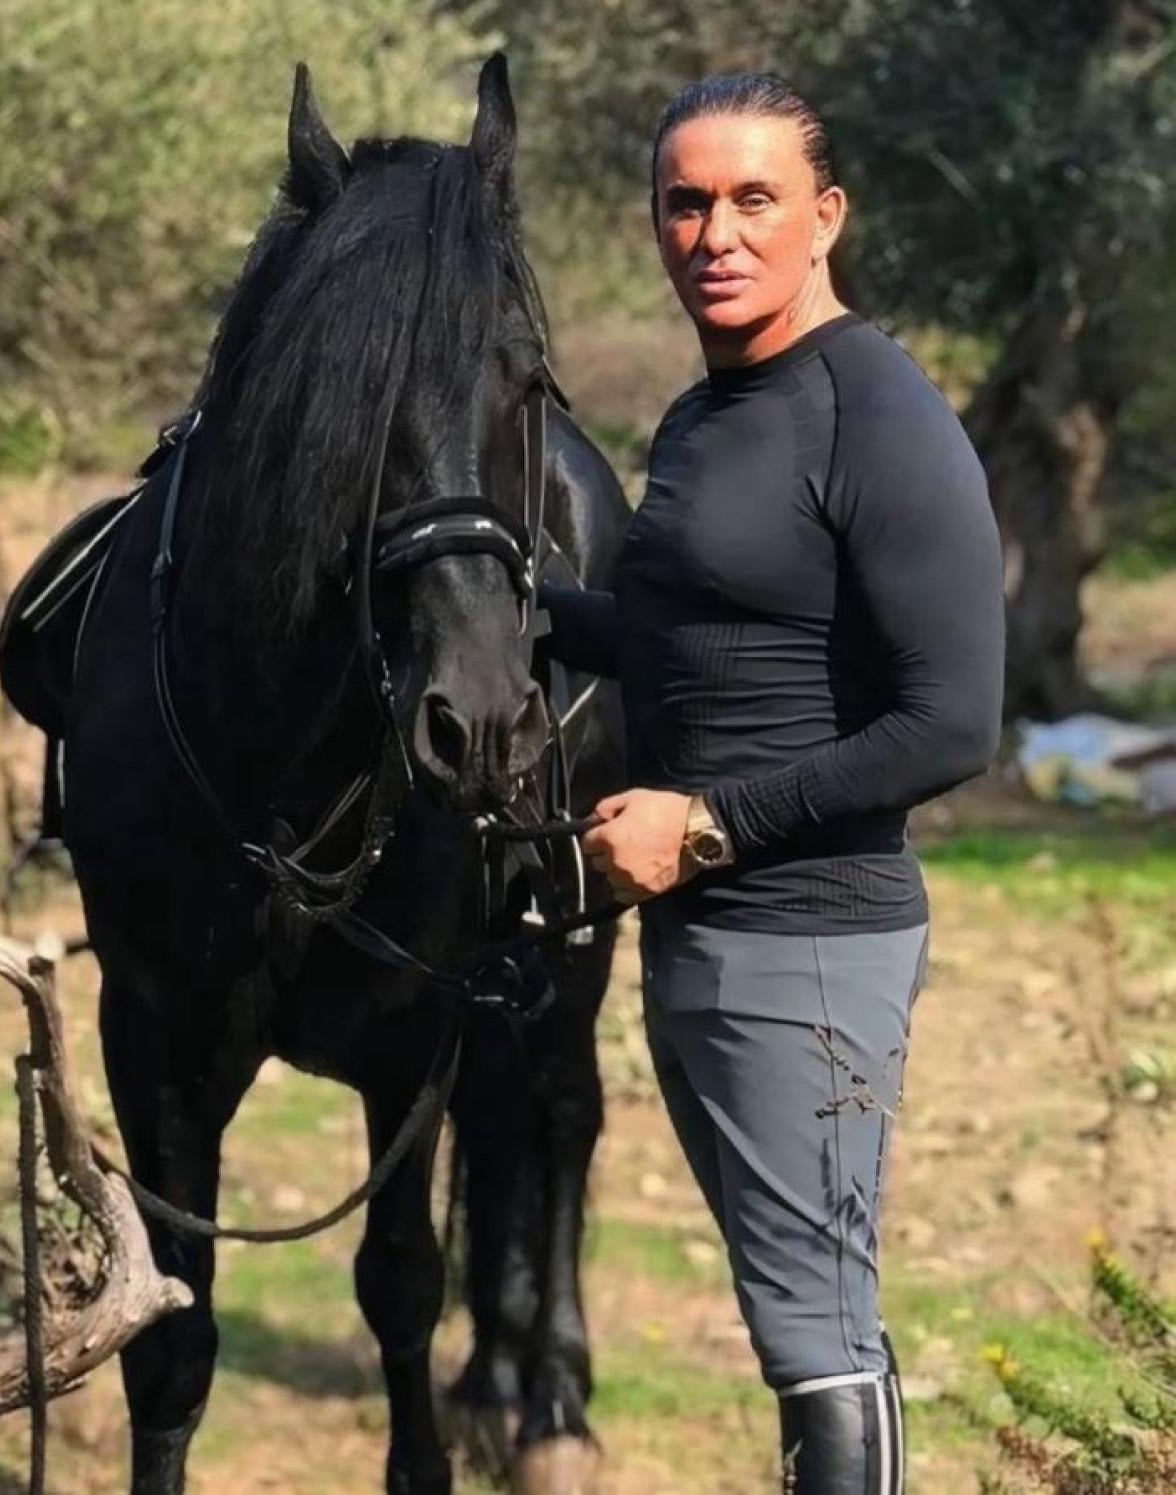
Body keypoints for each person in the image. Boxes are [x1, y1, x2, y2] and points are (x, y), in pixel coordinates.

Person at [539, 73, 1005, 1491]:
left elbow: (952, 724)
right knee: (786, 1324)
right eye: (687, 203)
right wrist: (503, 597)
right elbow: (678, 646)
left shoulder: (878, 411)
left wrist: (708, 825)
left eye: (756, 199)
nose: (718, 234)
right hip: (700, 939)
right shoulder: (707, 413)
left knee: (821, 1335)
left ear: (826, 216)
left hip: (810, 941)